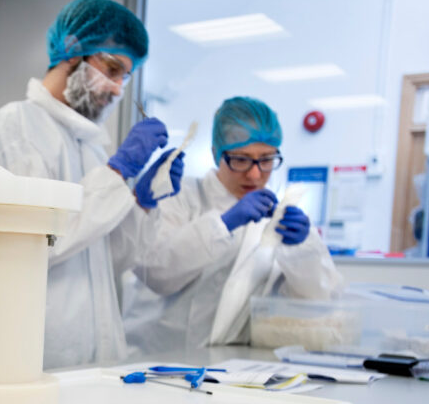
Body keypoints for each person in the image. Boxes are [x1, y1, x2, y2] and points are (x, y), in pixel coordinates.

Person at [0, 0, 183, 370]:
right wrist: (116, 174)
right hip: (36, 356)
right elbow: (34, 240)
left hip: (96, 358)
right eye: (113, 68)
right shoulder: (18, 127)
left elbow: (109, 257)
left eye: (125, 77)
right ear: (72, 49)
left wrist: (142, 202)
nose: (119, 89)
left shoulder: (91, 147)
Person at [122, 96, 344, 354]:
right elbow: (156, 272)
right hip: (154, 358)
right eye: (241, 159)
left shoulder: (277, 218)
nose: (254, 174)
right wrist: (223, 225)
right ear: (217, 154)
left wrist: (303, 251)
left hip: (230, 365)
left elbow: (319, 302)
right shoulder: (181, 195)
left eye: (266, 159)